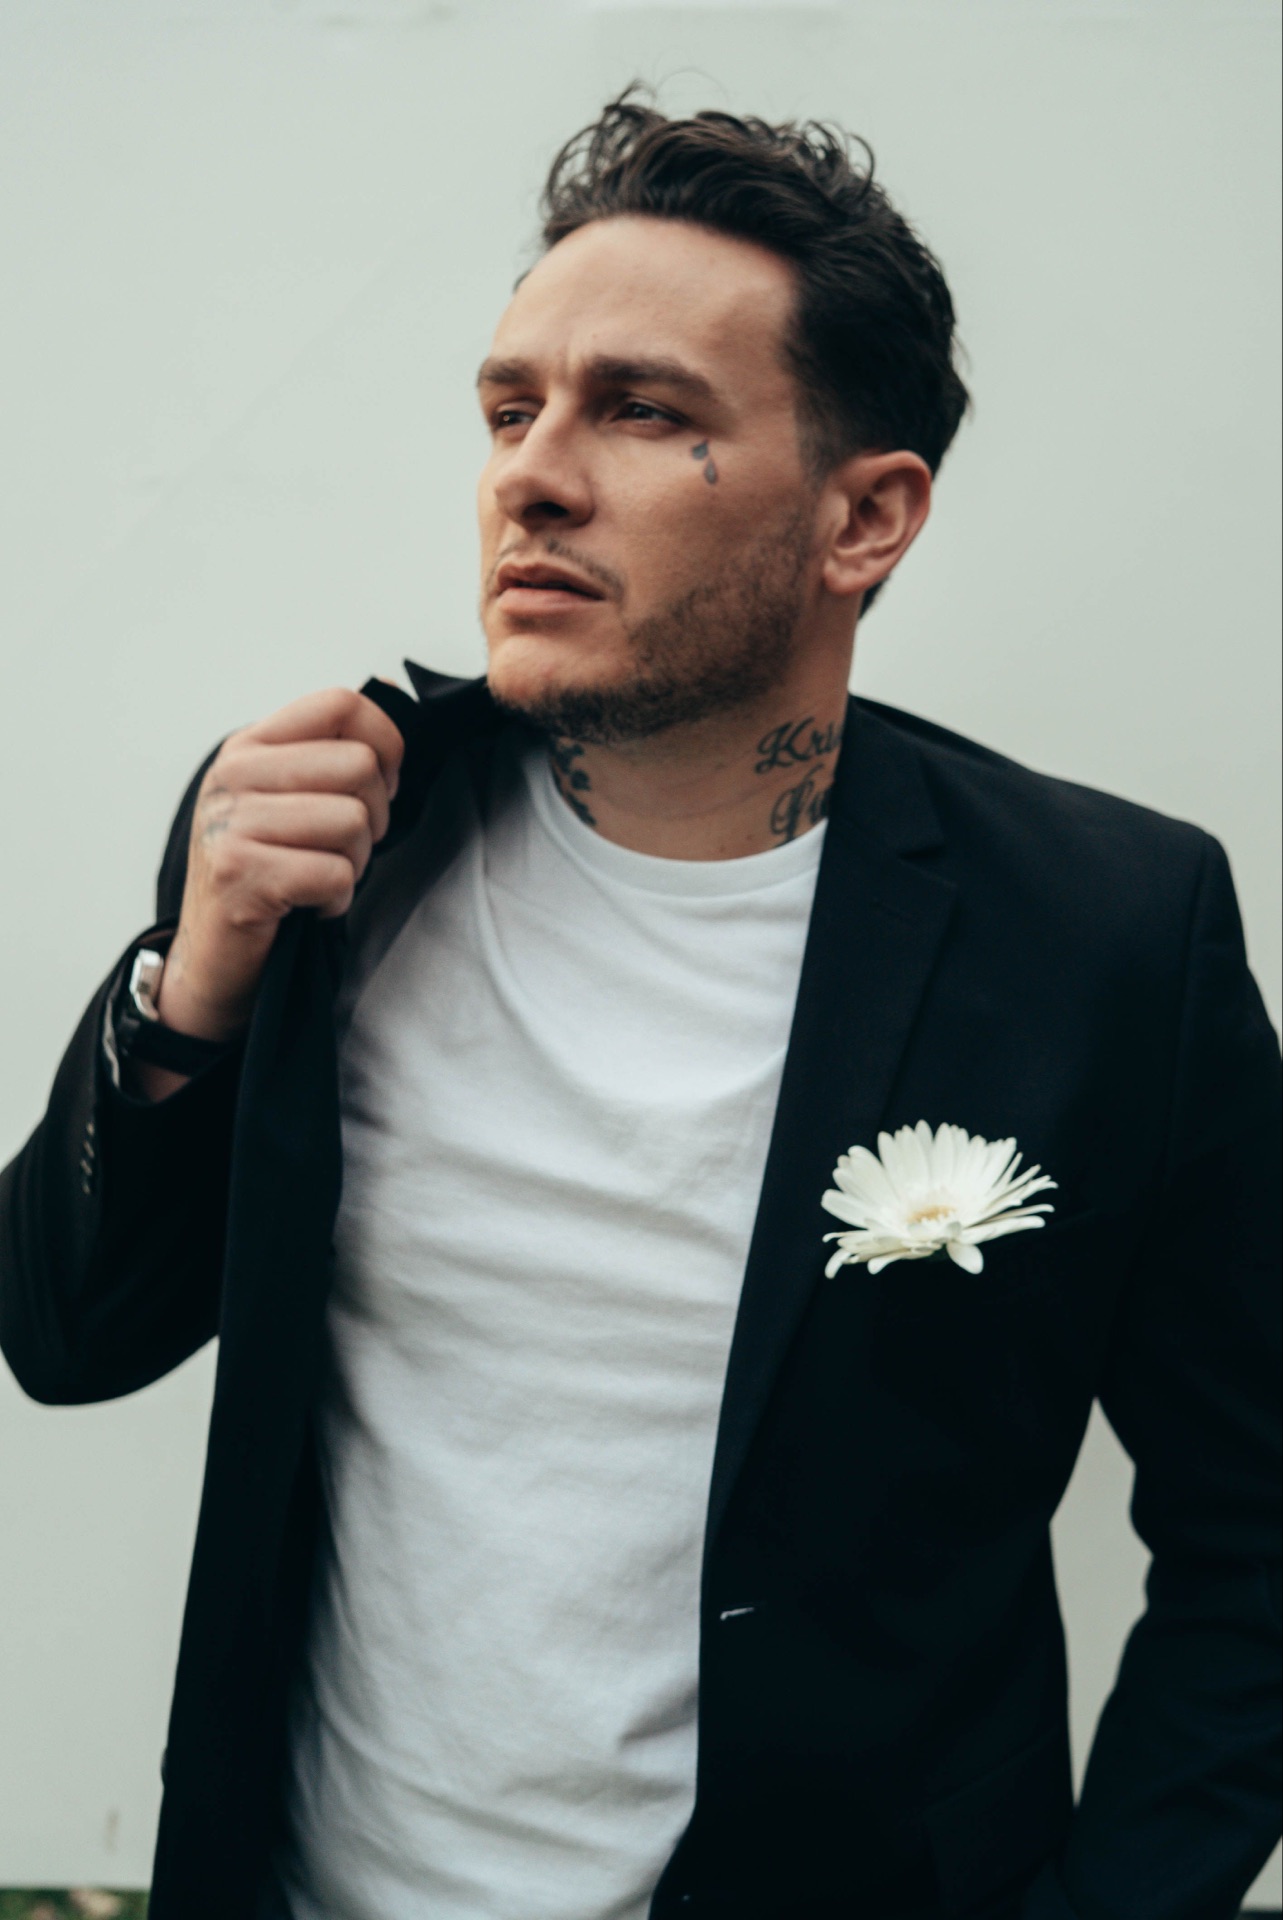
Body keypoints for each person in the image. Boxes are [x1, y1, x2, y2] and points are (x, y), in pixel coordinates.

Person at [0, 93, 1278, 1920]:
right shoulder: (324, 840)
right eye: (509, 408)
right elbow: (64, 1334)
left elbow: (1256, 1530)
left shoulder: (1106, 933)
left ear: (865, 517)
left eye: (644, 410)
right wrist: (188, 990)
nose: (529, 474)